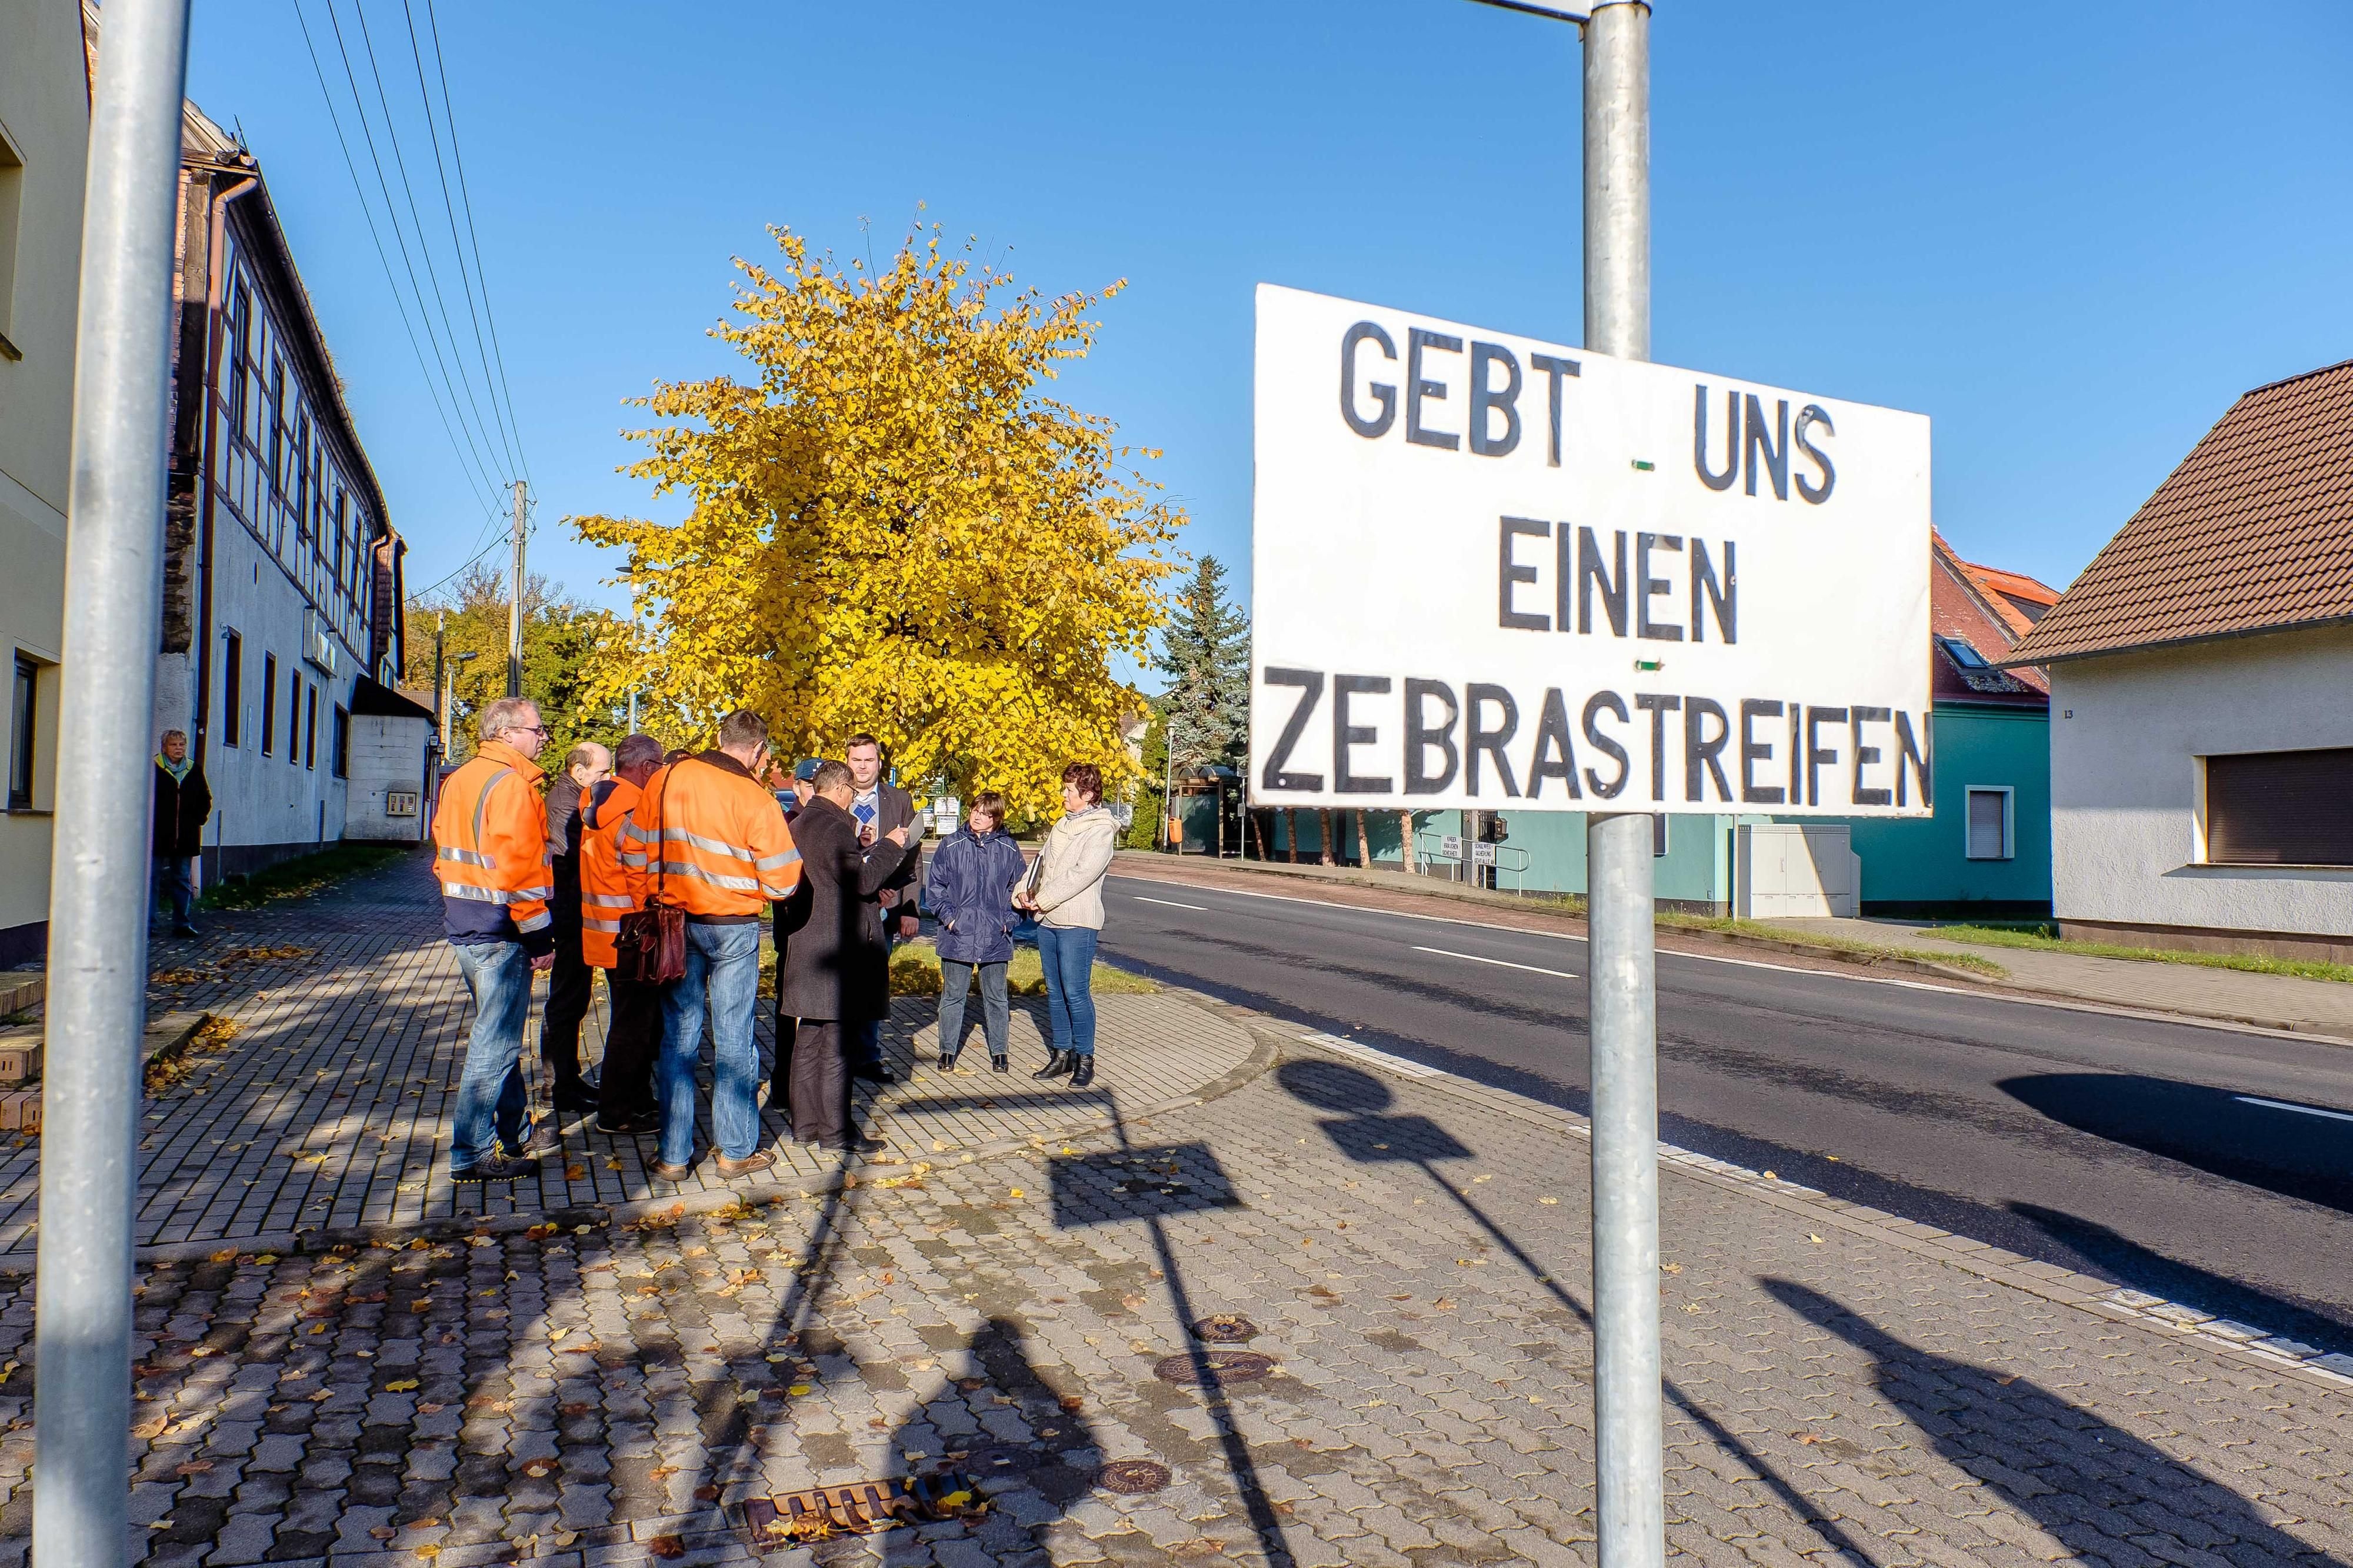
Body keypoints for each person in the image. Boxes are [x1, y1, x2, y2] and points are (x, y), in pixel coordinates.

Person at [622, 710, 803, 1182]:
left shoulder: (665, 779)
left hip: (674, 924)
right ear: (758, 752)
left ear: (720, 740)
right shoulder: (755, 798)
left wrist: (650, 896)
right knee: (734, 1038)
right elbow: (784, 882)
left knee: (679, 1039)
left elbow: (633, 850)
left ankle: (674, 1156)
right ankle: (736, 1150)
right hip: (732, 929)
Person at [431, 696, 562, 1182]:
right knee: (497, 1043)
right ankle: (470, 1152)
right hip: (501, 928)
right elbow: (520, 872)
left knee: (498, 1035)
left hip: (467, 923)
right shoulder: (512, 786)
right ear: (507, 733)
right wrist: (540, 937)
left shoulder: (462, 778)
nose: (544, 737)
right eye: (538, 728)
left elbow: (443, 847)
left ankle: (513, 1134)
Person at [775, 759, 909, 1153]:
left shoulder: (801, 823)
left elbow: (839, 881)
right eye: (853, 792)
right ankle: (836, 1133)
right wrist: (891, 845)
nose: (854, 799)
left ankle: (806, 1127)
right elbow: (863, 879)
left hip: (808, 946)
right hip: (837, 953)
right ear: (842, 789)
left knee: (810, 1040)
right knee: (837, 1046)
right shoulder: (833, 827)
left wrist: (867, 865)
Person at [579, 733, 665, 1136]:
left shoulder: (597, 805)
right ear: (646, 767)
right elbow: (642, 874)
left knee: (630, 1021)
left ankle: (636, 1099)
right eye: (659, 765)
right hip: (633, 933)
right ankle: (616, 1112)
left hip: (603, 931)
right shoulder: (633, 812)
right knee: (633, 1027)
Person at [1014, 763, 1118, 1088]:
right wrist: (1022, 891)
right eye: (1065, 788)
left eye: (1069, 790)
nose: (1063, 794)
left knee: (1075, 991)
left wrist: (1043, 899)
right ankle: (1062, 1055)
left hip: (1077, 921)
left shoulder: (1100, 830)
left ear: (1087, 795)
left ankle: (1085, 1058)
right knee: (1055, 992)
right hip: (1049, 922)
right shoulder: (1062, 825)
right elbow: (1040, 864)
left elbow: (1081, 875)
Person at [921, 792, 1025, 1073]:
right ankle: (947, 1051)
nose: (978, 816)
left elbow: (1022, 891)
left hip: (995, 936)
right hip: (958, 935)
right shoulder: (951, 845)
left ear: (996, 818)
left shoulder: (1010, 849)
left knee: (997, 997)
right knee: (953, 995)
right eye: (975, 810)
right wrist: (950, 919)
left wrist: (1009, 921)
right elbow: (936, 889)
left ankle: (1000, 1052)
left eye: (986, 813)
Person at [538, 741, 611, 1115]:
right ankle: (557, 1085)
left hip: (573, 912)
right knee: (566, 999)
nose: (607, 778)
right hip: (568, 915)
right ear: (580, 772)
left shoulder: (573, 797)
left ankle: (566, 1079)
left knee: (574, 998)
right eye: (601, 772)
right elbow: (581, 854)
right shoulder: (565, 804)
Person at [843, 734, 921, 1085]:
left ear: (879, 763)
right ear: (848, 762)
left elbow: (912, 856)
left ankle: (868, 1058)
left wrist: (909, 907)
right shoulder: (835, 797)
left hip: (887, 908)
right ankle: (839, 1057)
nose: (862, 767)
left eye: (869, 760)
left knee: (873, 982)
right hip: (843, 907)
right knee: (841, 982)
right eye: (856, 760)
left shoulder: (900, 801)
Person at [151, 729, 211, 940]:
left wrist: (197, 821)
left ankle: (182, 924)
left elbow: (205, 799)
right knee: (152, 879)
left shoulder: (193, 770)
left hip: (185, 837)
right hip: (157, 836)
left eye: (182, 745)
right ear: (164, 748)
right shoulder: (154, 769)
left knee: (182, 880)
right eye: (174, 745)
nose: (179, 749)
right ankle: (149, 924)